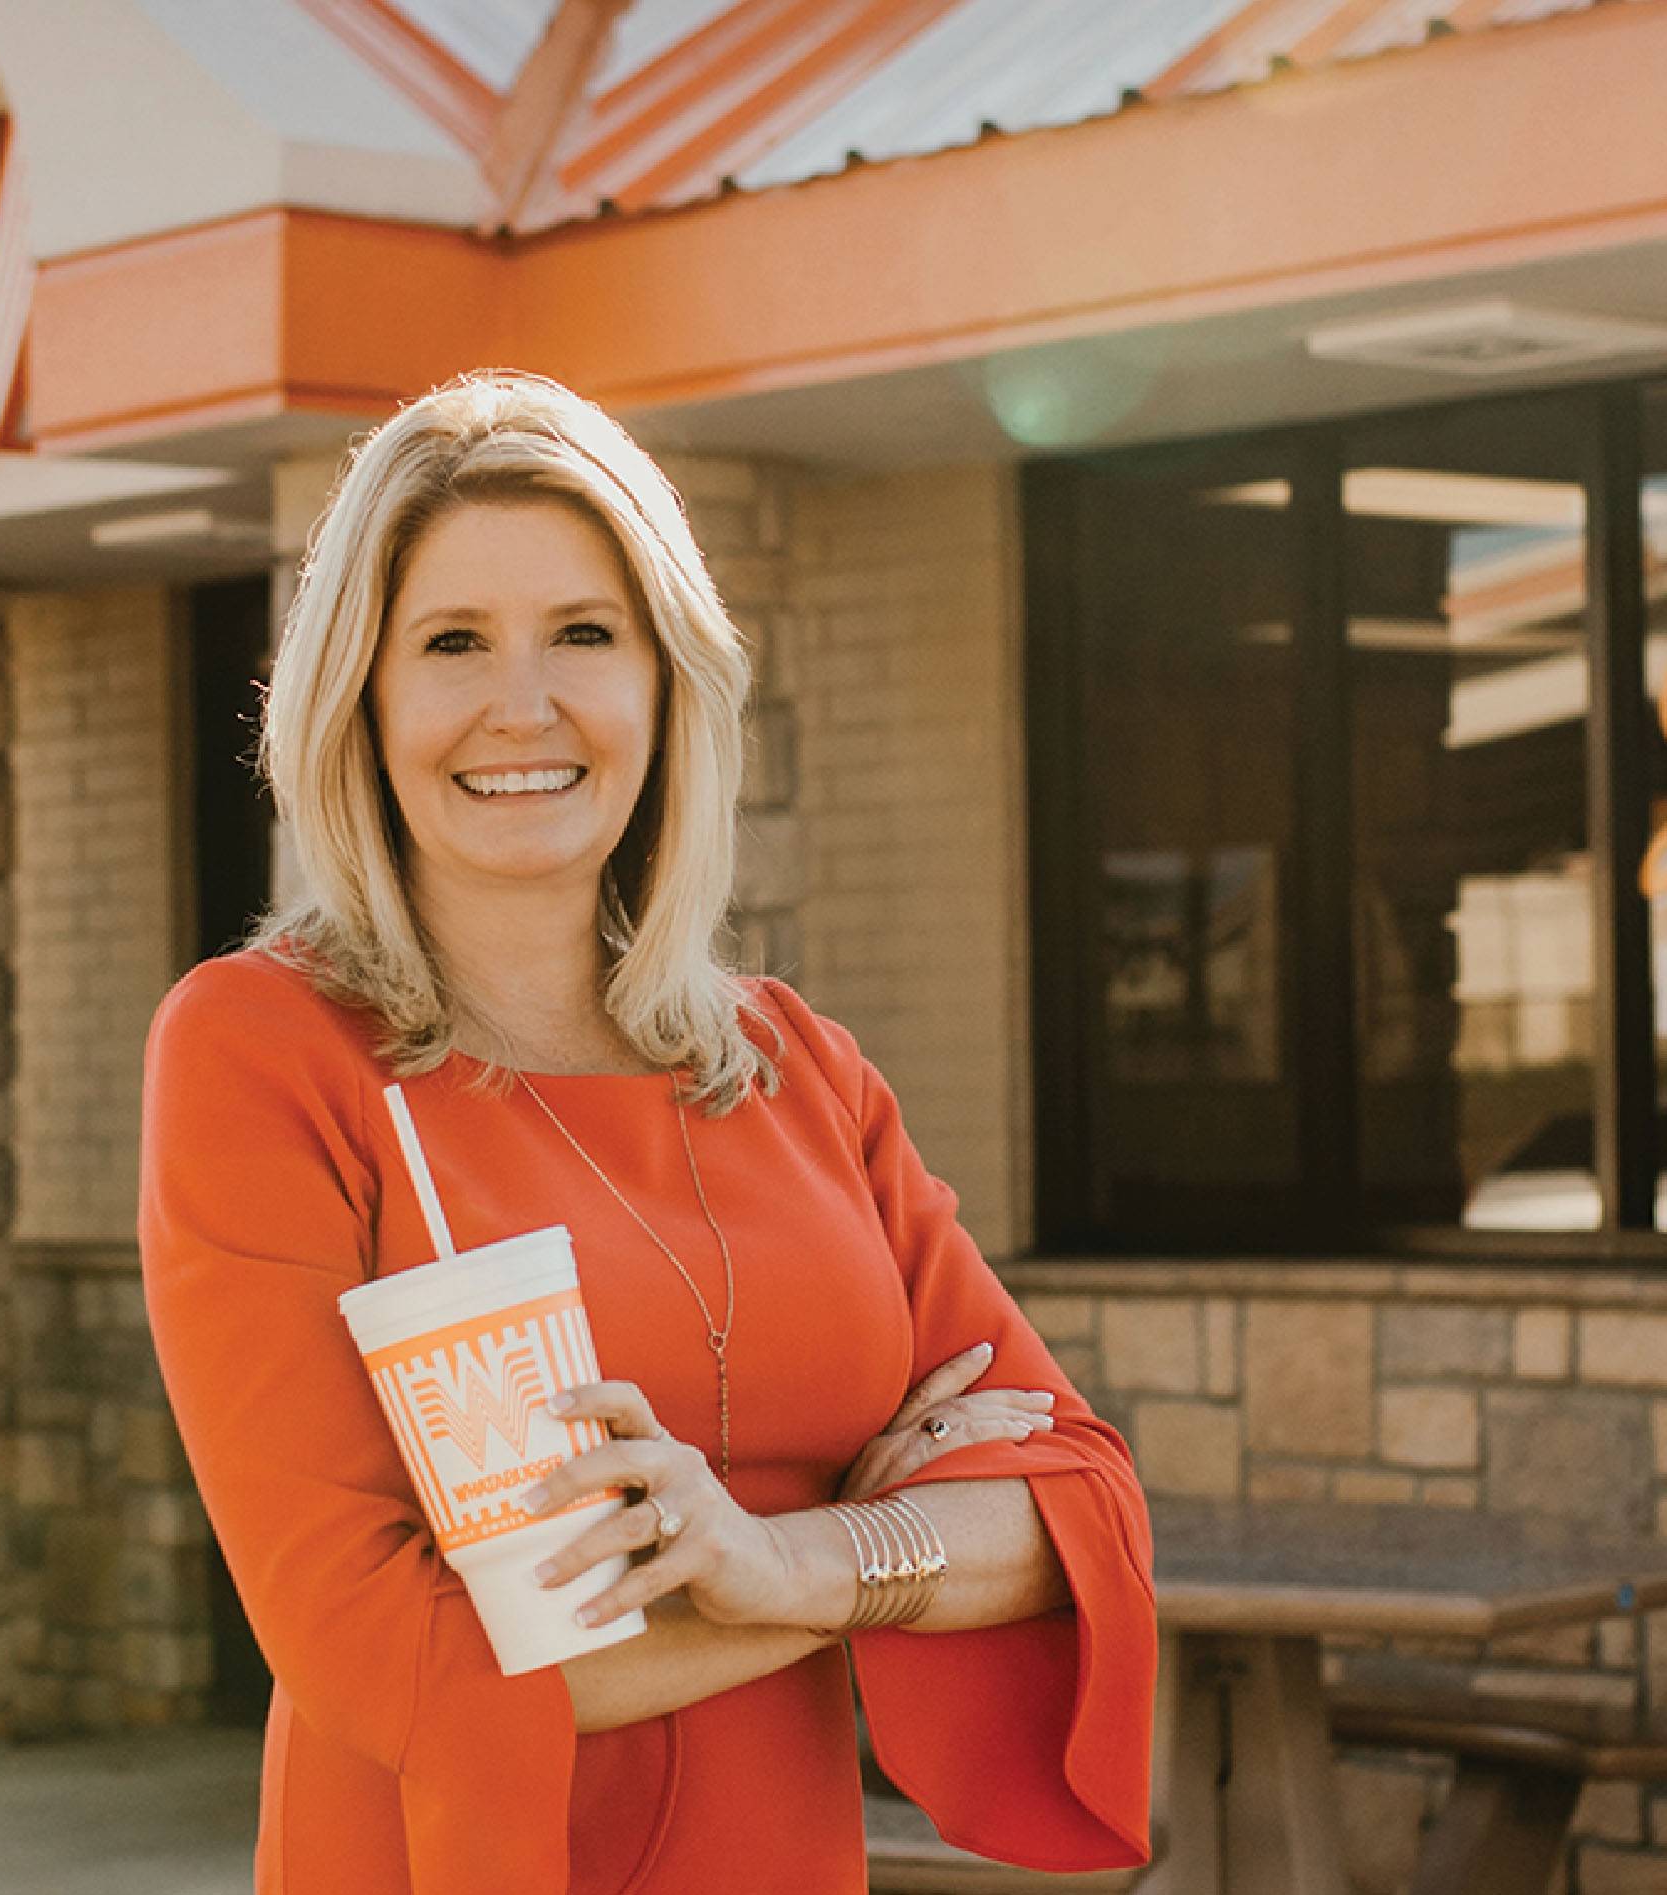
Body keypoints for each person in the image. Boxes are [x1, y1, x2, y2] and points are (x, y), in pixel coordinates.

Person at [138, 370, 1154, 1893]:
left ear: (668, 685)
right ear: (360, 695)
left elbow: (1078, 1511)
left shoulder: (793, 1069)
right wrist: (864, 1542)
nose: (523, 706)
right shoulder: (265, 1052)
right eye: (453, 643)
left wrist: (781, 1558)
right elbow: (376, 1648)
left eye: (586, 636)